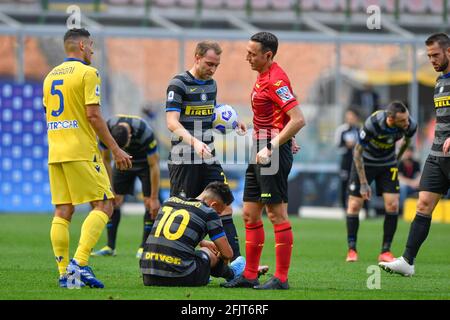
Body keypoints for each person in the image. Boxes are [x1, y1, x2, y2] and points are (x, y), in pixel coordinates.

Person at [43, 28, 132, 288]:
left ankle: (64, 274)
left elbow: (49, 112)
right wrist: (115, 148)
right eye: (91, 45)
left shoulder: (50, 76)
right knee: (105, 204)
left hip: (56, 150)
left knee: (63, 210)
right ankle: (79, 264)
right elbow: (93, 115)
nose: (92, 50)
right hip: (81, 150)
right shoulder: (88, 73)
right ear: (82, 45)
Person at [222, 32, 305, 290]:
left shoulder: (276, 79)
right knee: (249, 214)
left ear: (268, 55)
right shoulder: (262, 77)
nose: (247, 57)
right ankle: (249, 274)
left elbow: (299, 119)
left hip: (270, 153)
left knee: (276, 214)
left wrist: (273, 145)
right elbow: (280, 117)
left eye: (252, 53)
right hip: (260, 148)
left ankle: (281, 278)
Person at [165, 41, 247, 263]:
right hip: (184, 157)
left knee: (225, 205)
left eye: (216, 65)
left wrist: (233, 123)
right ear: (197, 57)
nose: (212, 69)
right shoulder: (178, 84)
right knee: (183, 209)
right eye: (209, 63)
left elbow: (211, 114)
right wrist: (194, 142)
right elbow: (172, 122)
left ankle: (237, 265)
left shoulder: (211, 85)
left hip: (208, 155)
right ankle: (177, 259)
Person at [379, 33, 450, 276]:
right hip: (437, 155)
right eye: (429, 56)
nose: (431, 60)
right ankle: (408, 261)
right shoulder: (440, 81)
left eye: (435, 55)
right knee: (423, 204)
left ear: (449, 51)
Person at [345, 101, 417, 263]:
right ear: (391, 120)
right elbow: (357, 152)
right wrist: (363, 183)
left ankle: (385, 251)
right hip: (365, 163)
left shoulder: (410, 125)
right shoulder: (373, 124)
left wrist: (395, 160)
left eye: (407, 119)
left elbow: (407, 142)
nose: (407, 123)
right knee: (355, 205)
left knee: (393, 205)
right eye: (403, 121)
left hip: (387, 164)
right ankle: (352, 249)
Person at [140, 182, 246, 286]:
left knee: (193, 250)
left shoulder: (169, 201)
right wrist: (221, 254)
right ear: (213, 205)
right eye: (219, 212)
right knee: (206, 252)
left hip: (149, 275)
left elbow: (172, 233)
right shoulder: (208, 211)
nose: (218, 215)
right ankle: (232, 273)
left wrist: (202, 242)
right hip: (181, 277)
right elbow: (228, 253)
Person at [91, 114, 160, 258]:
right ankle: (110, 247)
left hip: (145, 164)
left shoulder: (145, 131)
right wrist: (110, 189)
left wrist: (154, 197)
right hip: (121, 160)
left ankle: (143, 248)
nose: (126, 147)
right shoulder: (107, 128)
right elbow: (105, 159)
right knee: (113, 200)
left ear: (130, 134)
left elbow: (154, 165)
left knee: (149, 204)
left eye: (126, 144)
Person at [335, 108, 362, 209]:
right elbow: (337, 145)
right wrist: (346, 145)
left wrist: (356, 145)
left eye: (352, 117)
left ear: (356, 118)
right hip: (345, 161)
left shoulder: (361, 129)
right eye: (348, 117)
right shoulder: (341, 130)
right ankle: (343, 207)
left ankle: (365, 208)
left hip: (358, 162)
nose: (350, 119)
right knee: (344, 183)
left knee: (360, 183)